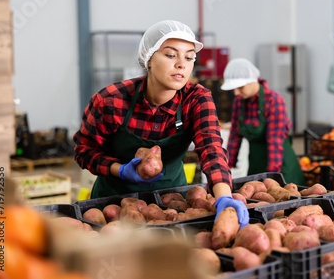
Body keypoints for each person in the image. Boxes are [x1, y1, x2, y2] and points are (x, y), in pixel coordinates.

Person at [73, 20, 248, 227]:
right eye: (171, 55)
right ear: (148, 58)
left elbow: (211, 149)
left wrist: (224, 197)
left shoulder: (197, 99)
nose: (182, 64)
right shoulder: (111, 100)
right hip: (112, 206)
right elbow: (84, 150)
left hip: (172, 204)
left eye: (190, 57)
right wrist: (119, 169)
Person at [221, 58, 305, 186]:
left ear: (252, 81)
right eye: (234, 88)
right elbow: (234, 136)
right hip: (255, 163)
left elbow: (275, 141)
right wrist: (227, 166)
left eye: (240, 87)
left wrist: (272, 177)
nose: (236, 92)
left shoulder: (273, 100)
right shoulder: (239, 102)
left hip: (279, 164)